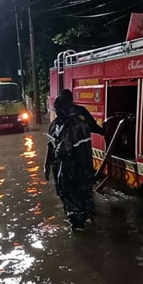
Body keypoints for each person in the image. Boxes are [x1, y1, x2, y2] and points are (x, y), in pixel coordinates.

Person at [44, 96, 99, 230]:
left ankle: (80, 231)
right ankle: (89, 223)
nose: (57, 113)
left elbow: (62, 152)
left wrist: (48, 165)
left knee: (73, 208)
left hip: (70, 173)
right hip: (85, 171)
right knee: (87, 202)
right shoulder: (83, 123)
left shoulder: (66, 127)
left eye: (58, 110)